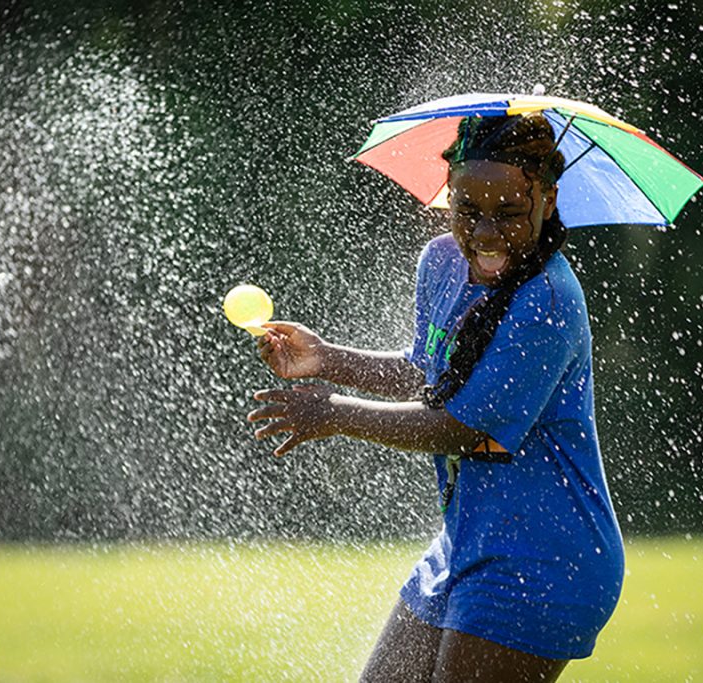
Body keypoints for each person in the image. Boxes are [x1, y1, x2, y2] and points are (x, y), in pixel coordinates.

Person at [247, 112, 624, 682]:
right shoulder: (442, 263)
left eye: (509, 213)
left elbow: (459, 424)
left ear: (547, 200)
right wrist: (326, 358)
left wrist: (334, 413)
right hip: (466, 544)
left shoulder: (548, 298)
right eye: (469, 211)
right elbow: (430, 377)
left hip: (545, 559)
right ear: (448, 195)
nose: (487, 233)